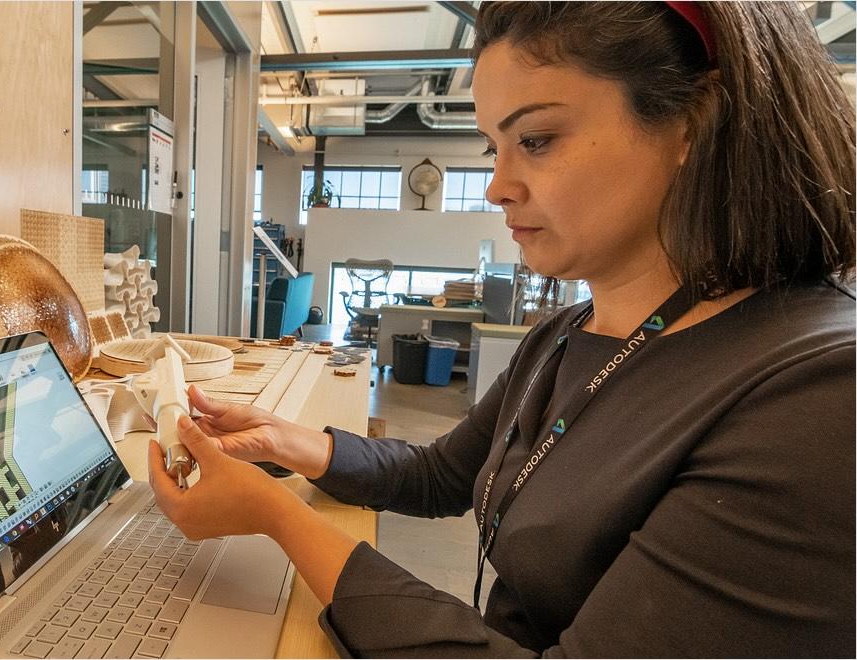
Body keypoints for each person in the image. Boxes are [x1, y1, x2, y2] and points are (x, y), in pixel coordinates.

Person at [147, 1, 856, 656]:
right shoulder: (564, 335)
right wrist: (285, 440)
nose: (496, 185)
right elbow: (441, 476)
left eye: (538, 140)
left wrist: (278, 516)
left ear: (695, 121)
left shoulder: (817, 399)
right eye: (494, 147)